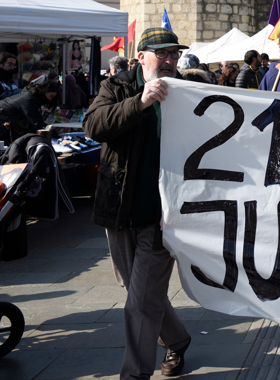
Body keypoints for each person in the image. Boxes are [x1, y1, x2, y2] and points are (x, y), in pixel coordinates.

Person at [83, 28, 193, 379]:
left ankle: (134, 375)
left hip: (162, 217)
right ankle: (176, 340)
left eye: (175, 54)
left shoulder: (188, 93)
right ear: (141, 57)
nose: (171, 60)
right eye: (162, 53)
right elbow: (94, 125)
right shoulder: (116, 87)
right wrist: (141, 102)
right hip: (118, 209)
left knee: (141, 301)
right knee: (137, 290)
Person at [0, 77, 60, 145]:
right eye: (51, 96)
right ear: (44, 91)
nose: (50, 99)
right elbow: (37, 123)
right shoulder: (28, 100)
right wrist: (57, 136)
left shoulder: (30, 97)